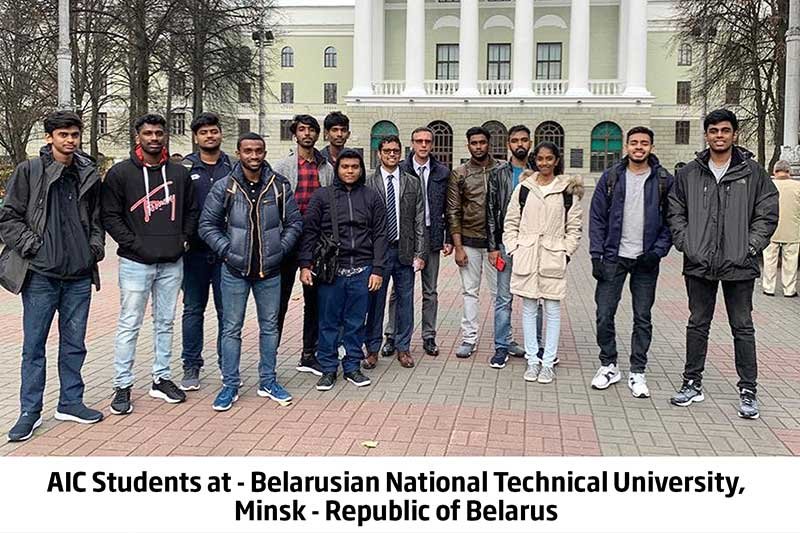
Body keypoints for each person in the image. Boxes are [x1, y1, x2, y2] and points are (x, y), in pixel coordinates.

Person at [0, 111, 105, 442]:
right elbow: (8, 218)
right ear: (50, 138)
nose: (70, 140)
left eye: (74, 134)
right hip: (41, 276)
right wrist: (33, 246)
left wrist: (95, 247)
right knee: (34, 346)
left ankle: (70, 402)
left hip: (78, 275)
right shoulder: (29, 171)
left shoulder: (87, 172)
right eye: (63, 134)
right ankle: (29, 412)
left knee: (74, 344)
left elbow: (97, 218)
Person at [667, 108, 778, 419]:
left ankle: (748, 390)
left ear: (734, 134)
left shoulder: (753, 173)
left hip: (739, 264)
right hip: (699, 262)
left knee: (742, 327)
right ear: (706, 135)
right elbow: (675, 210)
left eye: (725, 130)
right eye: (714, 130)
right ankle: (692, 383)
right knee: (697, 324)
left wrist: (750, 246)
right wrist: (686, 242)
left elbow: (767, 212)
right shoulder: (690, 173)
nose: (719, 136)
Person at [101, 113, 199, 415]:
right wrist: (134, 244)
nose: (154, 138)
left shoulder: (179, 173)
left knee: (165, 322)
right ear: (138, 137)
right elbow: (110, 215)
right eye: (148, 133)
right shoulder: (120, 173)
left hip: (172, 261)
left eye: (158, 133)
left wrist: (183, 239)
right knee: (129, 323)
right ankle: (122, 384)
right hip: (135, 263)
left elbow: (192, 210)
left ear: (165, 136)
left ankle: (161, 378)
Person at [199, 132, 303, 411]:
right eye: (248, 151)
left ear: (264, 153)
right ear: (239, 153)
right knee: (231, 329)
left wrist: (279, 250)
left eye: (258, 151)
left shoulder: (278, 185)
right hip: (234, 270)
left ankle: (268, 381)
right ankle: (230, 384)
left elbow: (294, 223)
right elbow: (206, 225)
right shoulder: (225, 186)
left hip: (270, 271)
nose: (254, 156)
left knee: (270, 328)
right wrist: (227, 251)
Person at [588, 126, 674, 398]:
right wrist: (596, 255)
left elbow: (672, 221)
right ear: (626, 146)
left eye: (644, 143)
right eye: (634, 142)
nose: (639, 147)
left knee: (642, 317)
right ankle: (609, 365)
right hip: (614, 257)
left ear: (651, 147)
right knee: (604, 313)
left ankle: (638, 370)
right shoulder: (611, 177)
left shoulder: (664, 180)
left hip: (646, 260)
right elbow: (597, 217)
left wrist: (657, 252)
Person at [298, 148, 387, 391]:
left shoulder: (372, 197)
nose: (350, 171)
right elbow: (310, 232)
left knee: (356, 322)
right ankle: (328, 368)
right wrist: (305, 265)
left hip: (363, 269)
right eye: (345, 167)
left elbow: (380, 235)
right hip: (331, 271)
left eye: (354, 167)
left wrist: (378, 269)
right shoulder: (322, 196)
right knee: (328, 322)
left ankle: (352, 367)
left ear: (361, 170)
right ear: (337, 169)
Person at [502, 141, 583, 384]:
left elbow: (574, 227)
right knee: (528, 310)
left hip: (553, 256)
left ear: (556, 160)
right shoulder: (524, 188)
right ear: (534, 160)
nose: (544, 163)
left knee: (553, 311)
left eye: (549, 158)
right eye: (540, 159)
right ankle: (532, 360)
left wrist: (566, 251)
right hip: (526, 256)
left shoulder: (566, 190)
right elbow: (511, 222)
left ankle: (548, 362)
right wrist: (514, 248)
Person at [383, 126, 452, 358]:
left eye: (427, 141)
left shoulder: (442, 171)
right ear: (412, 143)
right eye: (419, 141)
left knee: (430, 291)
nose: (423, 145)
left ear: (432, 144)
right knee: (398, 290)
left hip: (432, 236)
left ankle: (429, 336)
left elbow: (449, 207)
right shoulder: (401, 169)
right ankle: (391, 335)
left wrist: (448, 237)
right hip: (405, 237)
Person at [273, 115, 334, 376]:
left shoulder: (326, 168)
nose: (307, 134)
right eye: (302, 129)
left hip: (316, 242)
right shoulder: (282, 166)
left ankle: (309, 354)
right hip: (288, 239)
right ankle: (270, 356)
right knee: (279, 301)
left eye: (311, 130)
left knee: (315, 301)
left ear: (318, 135)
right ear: (295, 134)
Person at [179, 112, 233, 391]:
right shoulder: (184, 168)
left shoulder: (233, 167)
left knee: (227, 312)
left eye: (213, 131)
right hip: (194, 254)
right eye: (204, 132)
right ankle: (191, 365)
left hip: (227, 253)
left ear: (220, 133)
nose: (209, 136)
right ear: (196, 137)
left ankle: (228, 365)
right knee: (193, 310)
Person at [363, 135, 425, 370]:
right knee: (375, 302)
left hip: (404, 250)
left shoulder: (412, 182)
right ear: (379, 154)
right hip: (378, 254)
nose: (391, 154)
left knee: (405, 302)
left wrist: (420, 253)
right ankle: (372, 349)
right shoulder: (369, 183)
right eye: (387, 150)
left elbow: (419, 219)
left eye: (395, 151)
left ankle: (403, 347)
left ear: (401, 153)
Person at [446, 126, 500, 358]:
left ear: (489, 144)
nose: (478, 147)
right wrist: (458, 247)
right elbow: (453, 211)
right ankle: (469, 338)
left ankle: (504, 339)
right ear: (468, 145)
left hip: (496, 244)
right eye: (474, 143)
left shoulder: (501, 169)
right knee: (470, 292)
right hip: (469, 241)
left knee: (501, 294)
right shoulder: (460, 173)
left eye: (482, 142)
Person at [486, 125, 535, 368]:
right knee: (503, 298)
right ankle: (501, 346)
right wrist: (492, 246)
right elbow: (491, 210)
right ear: (508, 144)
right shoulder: (498, 174)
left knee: (534, 297)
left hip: (533, 245)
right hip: (506, 243)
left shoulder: (540, 172)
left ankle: (536, 347)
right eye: (515, 140)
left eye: (524, 140)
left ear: (530, 143)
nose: (520, 144)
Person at [762, 160, 800, 297]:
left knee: (769, 260)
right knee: (791, 262)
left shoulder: (767, 186)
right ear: (789, 172)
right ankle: (789, 290)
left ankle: (768, 287)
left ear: (774, 171)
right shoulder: (798, 186)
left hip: (770, 229)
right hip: (792, 229)